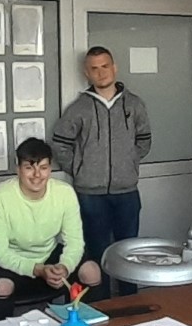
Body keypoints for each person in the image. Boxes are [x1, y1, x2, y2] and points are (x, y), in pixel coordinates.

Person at [53, 46, 151, 293]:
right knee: (97, 253)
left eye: (105, 66)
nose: (101, 72)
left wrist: (128, 162)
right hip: (90, 195)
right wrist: (80, 169)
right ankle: (102, 304)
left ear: (114, 68)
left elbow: (144, 140)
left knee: (128, 253)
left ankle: (130, 300)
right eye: (94, 68)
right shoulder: (78, 108)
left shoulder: (134, 104)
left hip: (126, 192)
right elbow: (60, 144)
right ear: (87, 73)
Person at [0, 138, 104, 318]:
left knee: (91, 271)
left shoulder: (64, 193)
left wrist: (64, 267)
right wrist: (37, 269)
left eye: (43, 167)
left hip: (47, 254)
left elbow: (75, 242)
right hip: (9, 258)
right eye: (29, 167)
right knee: (2, 286)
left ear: (50, 169)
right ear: (18, 169)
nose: (37, 175)